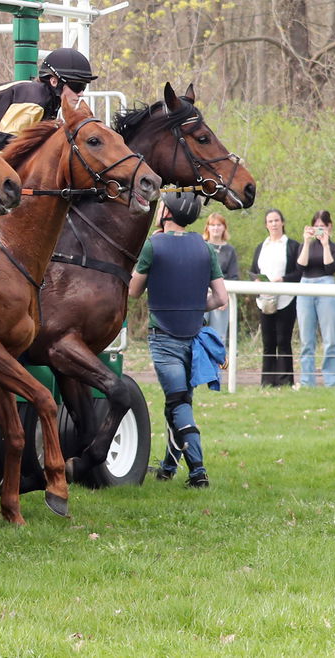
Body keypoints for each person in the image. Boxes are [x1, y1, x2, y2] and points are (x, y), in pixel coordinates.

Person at [129, 191, 228, 488]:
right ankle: (168, 468)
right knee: (178, 402)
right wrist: (194, 307)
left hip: (163, 338)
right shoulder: (206, 247)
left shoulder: (153, 245)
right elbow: (220, 298)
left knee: (178, 402)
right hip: (193, 337)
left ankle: (198, 472)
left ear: (167, 214)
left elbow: (133, 291)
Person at [0, 47, 98, 149]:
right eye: (77, 86)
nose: (81, 93)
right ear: (54, 81)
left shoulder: (48, 100)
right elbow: (5, 144)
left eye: (84, 86)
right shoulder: (36, 100)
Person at [248, 208, 300, 387]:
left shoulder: (292, 246)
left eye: (277, 220)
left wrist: (282, 279)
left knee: (283, 341)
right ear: (266, 225)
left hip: (286, 299)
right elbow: (253, 270)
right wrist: (256, 280)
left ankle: (285, 381)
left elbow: (298, 273)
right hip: (264, 300)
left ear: (282, 222)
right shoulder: (261, 247)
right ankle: (267, 381)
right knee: (268, 341)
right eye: (270, 221)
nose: (274, 224)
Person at [294, 210, 335, 387]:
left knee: (330, 339)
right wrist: (307, 242)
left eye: (322, 226)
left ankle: (332, 381)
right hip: (305, 285)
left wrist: (325, 245)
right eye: (316, 227)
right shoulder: (305, 245)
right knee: (306, 340)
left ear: (329, 227)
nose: (319, 230)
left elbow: (330, 268)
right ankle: (307, 381)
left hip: (326, 284)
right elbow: (300, 267)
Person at [202, 211, 239, 340]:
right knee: (196, 333)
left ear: (224, 227)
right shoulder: (201, 246)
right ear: (207, 227)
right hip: (201, 295)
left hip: (220, 297)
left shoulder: (230, 250)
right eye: (212, 225)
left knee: (218, 337)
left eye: (219, 225)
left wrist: (225, 297)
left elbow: (234, 276)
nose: (216, 228)